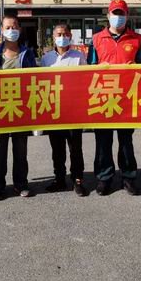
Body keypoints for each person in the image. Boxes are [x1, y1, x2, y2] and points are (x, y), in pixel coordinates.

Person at [88, 0, 141, 196]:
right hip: (102, 97)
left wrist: (136, 68)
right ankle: (104, 178)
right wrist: (97, 68)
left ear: (127, 16)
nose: (118, 17)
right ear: (108, 15)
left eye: (121, 13)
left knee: (126, 140)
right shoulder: (97, 39)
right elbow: (88, 69)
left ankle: (128, 177)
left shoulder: (137, 39)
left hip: (127, 98)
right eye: (115, 13)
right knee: (103, 140)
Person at [0, 13, 37, 201]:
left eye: (14, 27)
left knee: (20, 149)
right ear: (1, 30)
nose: (11, 30)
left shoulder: (27, 53)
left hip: (20, 109)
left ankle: (21, 183)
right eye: (7, 27)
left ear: (20, 29)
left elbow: (35, 79)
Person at [40, 23, 88, 197]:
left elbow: (86, 80)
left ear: (70, 36)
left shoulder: (78, 56)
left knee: (75, 148)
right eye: (59, 34)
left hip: (73, 110)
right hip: (54, 111)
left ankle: (78, 179)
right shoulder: (46, 59)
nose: (62, 37)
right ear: (53, 37)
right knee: (57, 148)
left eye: (65, 34)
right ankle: (59, 178)